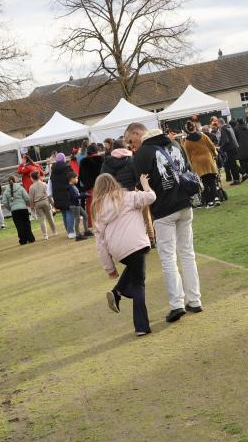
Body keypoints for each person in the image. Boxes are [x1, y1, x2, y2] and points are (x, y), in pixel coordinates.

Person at [125, 122, 202, 323]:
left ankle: (177, 304)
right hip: (185, 204)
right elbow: (188, 168)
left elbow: (140, 185)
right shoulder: (175, 144)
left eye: (130, 141)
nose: (131, 146)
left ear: (137, 133)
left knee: (168, 258)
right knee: (187, 253)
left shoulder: (142, 154)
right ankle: (194, 300)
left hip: (163, 210)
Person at [94, 173, 157, 336]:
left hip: (118, 251)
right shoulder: (128, 197)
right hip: (136, 243)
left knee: (134, 271)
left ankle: (118, 292)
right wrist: (145, 185)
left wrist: (110, 268)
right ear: (114, 184)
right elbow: (151, 197)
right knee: (138, 283)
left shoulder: (99, 210)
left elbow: (100, 242)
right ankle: (141, 326)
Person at [182, 121, 220, 208]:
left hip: (197, 163)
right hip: (208, 160)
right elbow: (211, 145)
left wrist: (190, 164)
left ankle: (209, 201)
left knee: (204, 183)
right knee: (212, 181)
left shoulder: (187, 141)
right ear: (195, 127)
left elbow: (187, 154)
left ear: (187, 129)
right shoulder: (203, 136)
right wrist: (214, 155)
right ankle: (216, 198)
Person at [2, 175, 35, 245]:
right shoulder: (20, 188)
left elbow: (4, 202)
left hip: (14, 211)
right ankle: (30, 238)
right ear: (15, 180)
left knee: (19, 225)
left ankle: (23, 240)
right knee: (26, 224)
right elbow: (27, 198)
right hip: (23, 208)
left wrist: (10, 208)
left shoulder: (6, 191)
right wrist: (27, 204)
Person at [78, 144, 105, 226]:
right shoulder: (101, 159)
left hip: (89, 188)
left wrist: (86, 184)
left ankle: (91, 223)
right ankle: (104, 222)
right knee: (103, 204)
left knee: (90, 206)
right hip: (101, 186)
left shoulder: (83, 161)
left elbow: (81, 176)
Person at [50, 152, 75, 238]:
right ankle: (71, 232)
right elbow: (73, 179)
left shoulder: (53, 171)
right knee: (69, 211)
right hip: (67, 192)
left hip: (57, 194)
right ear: (64, 159)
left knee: (64, 212)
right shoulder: (67, 168)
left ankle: (68, 231)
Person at [28, 171, 56, 240]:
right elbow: (49, 195)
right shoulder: (44, 184)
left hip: (37, 204)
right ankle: (54, 231)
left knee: (42, 220)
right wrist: (52, 204)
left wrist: (32, 207)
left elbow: (31, 198)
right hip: (46, 202)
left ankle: (45, 235)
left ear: (32, 178)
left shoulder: (31, 187)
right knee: (50, 218)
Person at [68, 173, 92, 241]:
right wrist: (84, 195)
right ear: (72, 179)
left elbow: (77, 194)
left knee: (85, 215)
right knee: (77, 219)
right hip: (74, 205)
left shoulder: (73, 186)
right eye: (76, 178)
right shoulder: (70, 188)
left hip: (77, 205)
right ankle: (78, 235)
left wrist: (83, 194)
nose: (77, 179)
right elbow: (75, 197)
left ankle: (86, 231)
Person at [218, 118, 241, 185]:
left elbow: (225, 140)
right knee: (234, 164)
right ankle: (238, 178)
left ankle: (236, 180)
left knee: (233, 165)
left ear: (220, 123)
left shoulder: (223, 128)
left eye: (218, 124)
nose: (218, 126)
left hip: (230, 148)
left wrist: (221, 148)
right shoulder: (229, 127)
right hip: (234, 147)